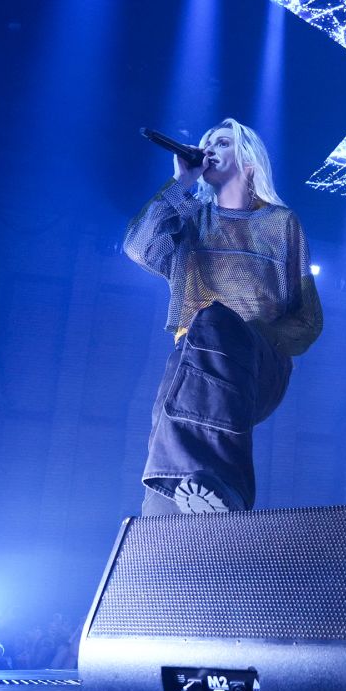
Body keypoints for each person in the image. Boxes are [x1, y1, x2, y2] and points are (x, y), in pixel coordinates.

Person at [124, 118, 323, 515]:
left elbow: (308, 320)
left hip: (256, 365)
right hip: (191, 363)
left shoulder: (280, 223)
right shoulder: (192, 220)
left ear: (247, 159)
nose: (210, 148)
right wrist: (180, 184)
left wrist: (257, 338)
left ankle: (229, 488)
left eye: (222, 142)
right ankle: (166, 522)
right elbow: (140, 247)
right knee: (165, 440)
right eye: (206, 142)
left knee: (214, 319)